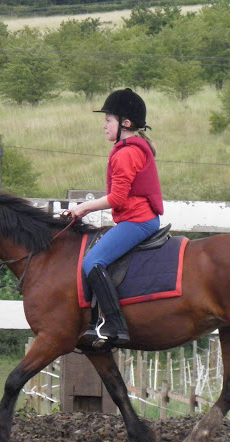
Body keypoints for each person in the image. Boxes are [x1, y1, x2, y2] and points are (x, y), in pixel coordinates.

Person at [66, 88, 164, 345]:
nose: (104, 126)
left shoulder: (127, 153)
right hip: (137, 218)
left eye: (108, 120)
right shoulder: (129, 149)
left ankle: (114, 325)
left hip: (138, 221)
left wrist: (82, 208)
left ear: (125, 123)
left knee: (92, 261)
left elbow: (117, 198)